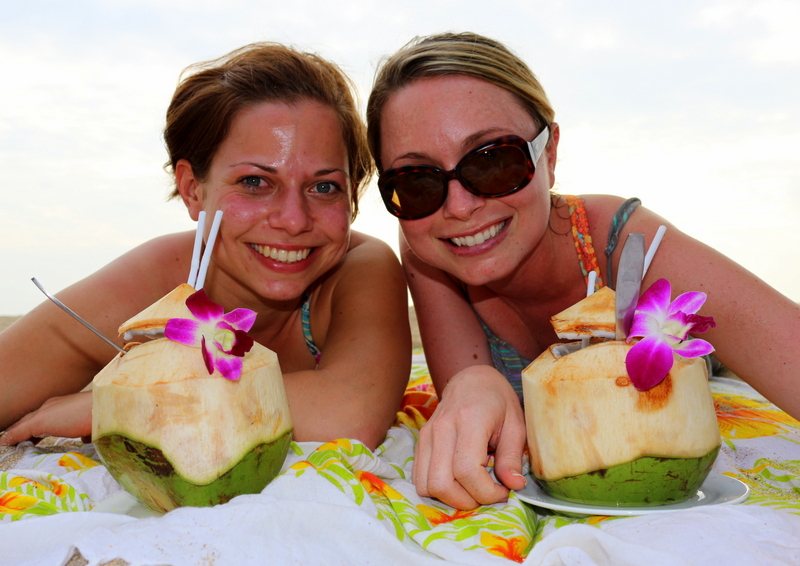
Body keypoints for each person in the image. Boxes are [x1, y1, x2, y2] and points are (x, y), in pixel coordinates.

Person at [366, 31, 800, 510]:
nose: (460, 206)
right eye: (417, 181)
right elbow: (469, 381)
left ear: (548, 152)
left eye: (494, 161)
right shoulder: (427, 245)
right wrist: (471, 387)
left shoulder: (624, 243)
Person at [0, 42, 411, 450]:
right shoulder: (156, 280)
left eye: (324, 187)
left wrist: (125, 407)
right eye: (255, 182)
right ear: (193, 189)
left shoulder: (356, 268)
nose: (293, 220)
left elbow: (350, 414)